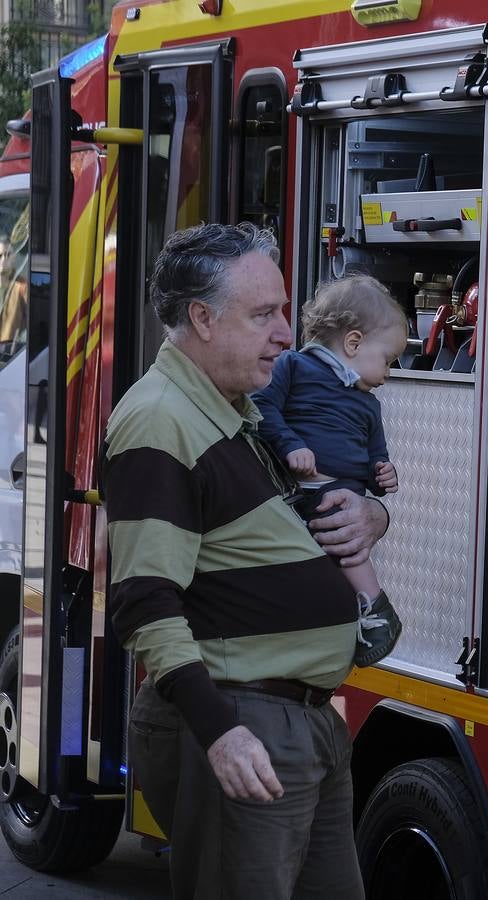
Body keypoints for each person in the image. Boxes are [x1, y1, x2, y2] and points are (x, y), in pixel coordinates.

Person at [104, 223, 388, 900]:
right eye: (265, 314)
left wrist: (372, 516)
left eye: (284, 311)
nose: (288, 334)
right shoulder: (160, 421)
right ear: (201, 318)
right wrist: (221, 734)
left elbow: (290, 522)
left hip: (299, 721)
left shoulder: (233, 409)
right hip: (245, 723)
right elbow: (144, 600)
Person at [252, 275, 404, 667]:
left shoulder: (369, 406)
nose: (389, 372)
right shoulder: (293, 366)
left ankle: (372, 611)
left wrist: (382, 476)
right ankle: (372, 609)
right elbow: (262, 408)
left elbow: (376, 456)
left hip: (346, 491)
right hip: (303, 486)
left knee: (346, 543)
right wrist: (291, 445)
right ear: (353, 343)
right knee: (332, 549)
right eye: (387, 359)